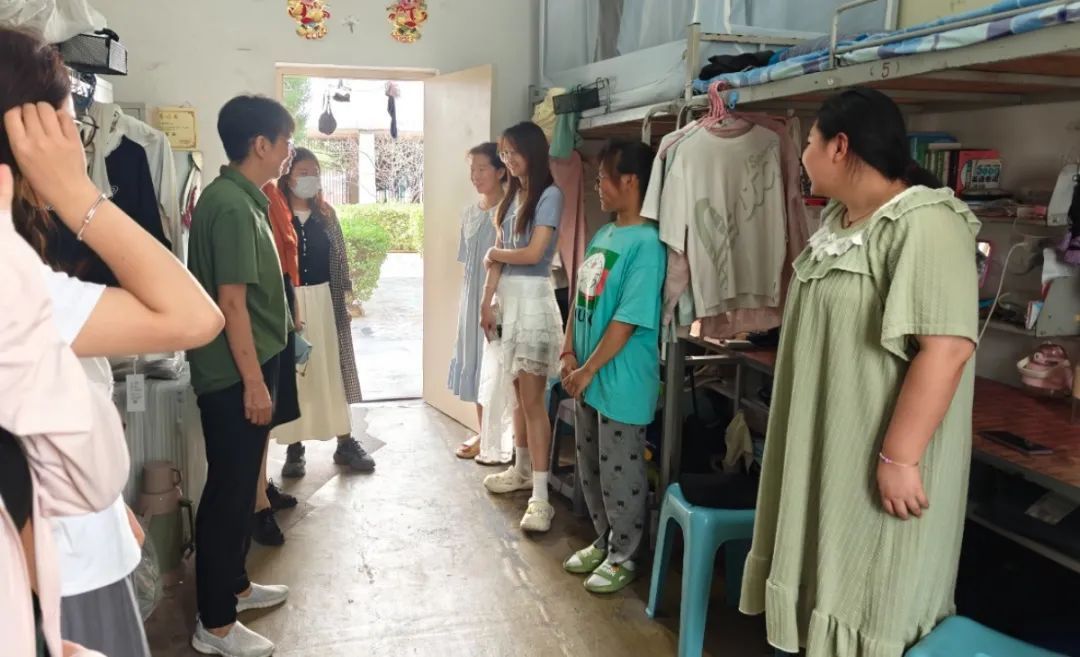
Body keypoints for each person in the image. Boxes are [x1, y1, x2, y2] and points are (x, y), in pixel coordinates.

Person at [0, 26, 224, 657]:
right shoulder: (11, 283)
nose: (79, 144)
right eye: (68, 127)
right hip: (57, 575)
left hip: (71, 542)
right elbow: (196, 317)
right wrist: (77, 193)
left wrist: (103, 504)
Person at [741, 87, 979, 657]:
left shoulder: (926, 222)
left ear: (839, 146)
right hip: (829, 446)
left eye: (810, 143)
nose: (804, 157)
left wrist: (899, 459)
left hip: (880, 458)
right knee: (827, 580)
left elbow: (945, 349)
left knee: (874, 595)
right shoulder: (839, 223)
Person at [186, 95, 298, 657]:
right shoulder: (231, 206)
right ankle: (215, 625)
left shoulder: (246, 198)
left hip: (250, 364)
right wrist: (254, 383)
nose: (289, 153)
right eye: (285, 142)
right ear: (260, 144)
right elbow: (231, 303)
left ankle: (235, 586)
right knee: (229, 495)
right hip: (234, 375)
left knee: (238, 483)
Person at [559, 139, 665, 594]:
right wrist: (568, 352)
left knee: (621, 470)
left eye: (604, 178)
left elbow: (627, 319)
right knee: (591, 465)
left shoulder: (649, 244)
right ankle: (604, 541)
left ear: (631, 181)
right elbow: (580, 298)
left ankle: (625, 554)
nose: (598, 186)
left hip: (620, 379)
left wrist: (588, 369)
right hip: (586, 374)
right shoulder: (604, 235)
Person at [479, 121, 565, 532]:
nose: (508, 160)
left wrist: (495, 253)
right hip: (508, 302)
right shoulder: (513, 195)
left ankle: (541, 497)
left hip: (531, 303)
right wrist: (486, 301)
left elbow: (532, 254)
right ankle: (521, 469)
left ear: (532, 151)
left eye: (513, 152)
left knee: (533, 401)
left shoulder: (550, 195)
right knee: (517, 395)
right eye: (504, 153)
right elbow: (498, 257)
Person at [272, 148, 375, 477]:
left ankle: (344, 441)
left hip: (324, 300)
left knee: (331, 371)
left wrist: (344, 301)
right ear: (288, 176)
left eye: (314, 172)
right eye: (303, 172)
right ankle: (294, 447)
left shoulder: (326, 215)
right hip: (289, 302)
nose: (310, 178)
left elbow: (340, 260)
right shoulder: (275, 214)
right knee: (295, 375)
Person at [248, 179, 303, 547]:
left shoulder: (274, 195)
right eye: (284, 150)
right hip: (265, 312)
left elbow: (285, 263)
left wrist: (292, 310)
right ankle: (257, 506)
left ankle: (262, 490)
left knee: (269, 419)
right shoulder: (257, 197)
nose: (287, 154)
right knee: (260, 418)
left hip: (280, 301)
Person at [450, 142, 506, 461]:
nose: (475, 176)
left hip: (497, 298)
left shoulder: (511, 211)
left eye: (482, 168)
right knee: (474, 361)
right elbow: (467, 263)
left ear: (501, 171)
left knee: (497, 369)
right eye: (473, 170)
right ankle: (484, 433)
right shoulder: (470, 213)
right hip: (471, 298)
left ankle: (497, 438)